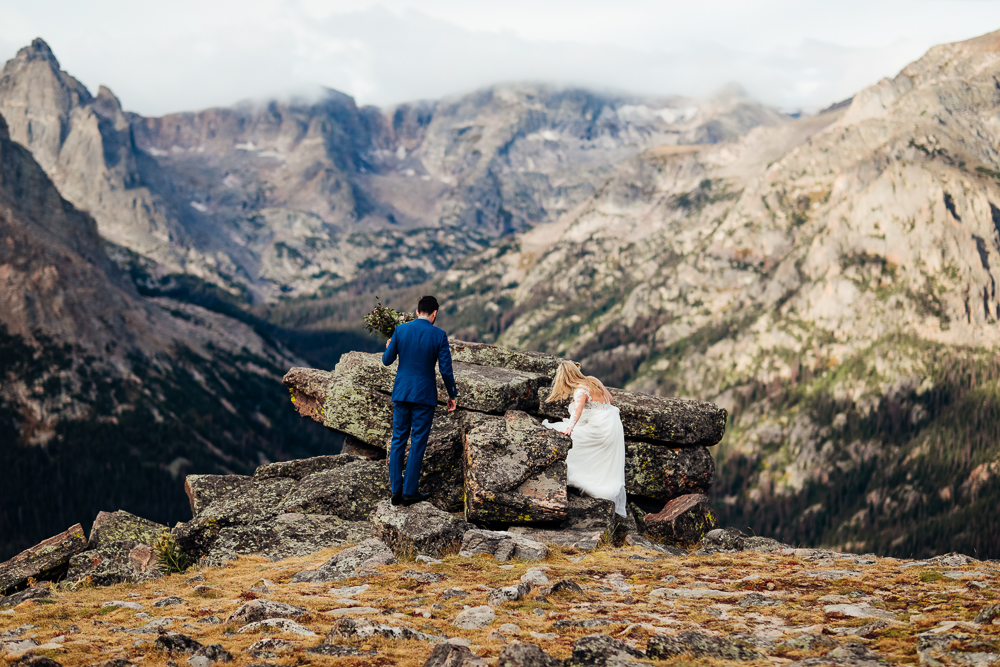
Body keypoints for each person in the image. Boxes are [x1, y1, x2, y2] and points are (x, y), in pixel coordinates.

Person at [382, 295, 458, 506]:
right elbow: (445, 370)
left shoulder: (400, 330)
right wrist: (452, 395)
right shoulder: (439, 335)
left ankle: (396, 492)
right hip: (424, 395)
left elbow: (387, 360)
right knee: (417, 442)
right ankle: (409, 491)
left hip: (402, 392)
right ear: (434, 314)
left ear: (417, 311)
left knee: (398, 439)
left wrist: (389, 346)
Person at [542, 361, 627, 516]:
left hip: (600, 429)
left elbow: (577, 411)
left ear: (565, 378)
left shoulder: (580, 390)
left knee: (559, 433)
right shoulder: (593, 380)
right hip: (612, 425)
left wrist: (569, 428)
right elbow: (611, 400)